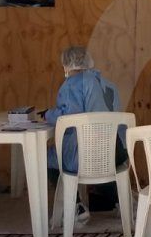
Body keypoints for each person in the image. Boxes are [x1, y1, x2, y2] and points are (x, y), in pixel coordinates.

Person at [43, 46, 124, 224]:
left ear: (67, 65)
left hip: (88, 155)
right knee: (104, 166)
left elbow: (69, 118)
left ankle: (76, 206)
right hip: (118, 151)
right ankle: (122, 201)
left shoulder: (72, 85)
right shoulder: (108, 84)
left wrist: (47, 115)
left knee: (47, 158)